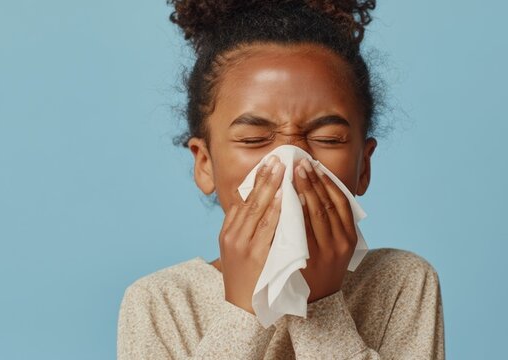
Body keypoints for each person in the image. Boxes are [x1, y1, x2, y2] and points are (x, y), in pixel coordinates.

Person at [117, 1, 445, 358]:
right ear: (205, 164)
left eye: (328, 139)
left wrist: (321, 302)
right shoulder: (160, 302)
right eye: (254, 139)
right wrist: (244, 311)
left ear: (363, 167)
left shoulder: (400, 282)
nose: (291, 164)